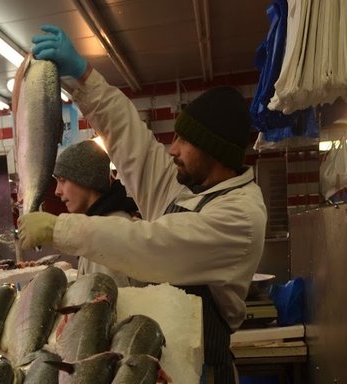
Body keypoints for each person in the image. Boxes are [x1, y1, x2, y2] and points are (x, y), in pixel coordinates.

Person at [17, 25, 267, 383]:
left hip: (204, 372)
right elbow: (130, 140)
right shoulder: (189, 189)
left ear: (214, 151)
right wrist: (84, 77)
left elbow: (152, 245)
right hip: (162, 361)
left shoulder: (240, 215)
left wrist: (60, 228)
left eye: (184, 141)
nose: (173, 149)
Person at [52, 139, 137, 287]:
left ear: (87, 179)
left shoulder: (108, 233)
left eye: (63, 180)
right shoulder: (100, 224)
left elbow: (112, 305)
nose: (57, 191)